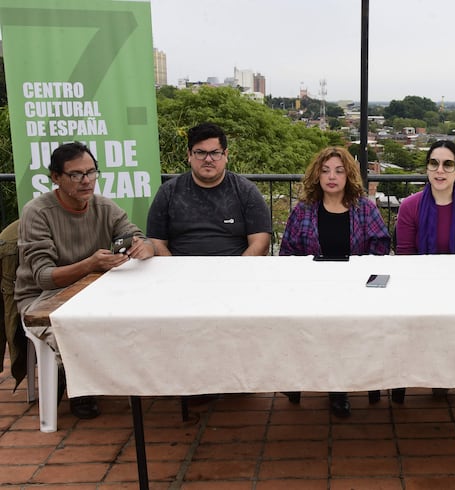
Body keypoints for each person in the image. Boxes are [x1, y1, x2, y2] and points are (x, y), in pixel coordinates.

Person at [15, 142, 155, 419]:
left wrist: (142, 247)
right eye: (76, 175)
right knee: (74, 329)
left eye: (91, 172)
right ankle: (78, 383)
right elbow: (43, 277)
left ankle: (114, 379)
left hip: (95, 290)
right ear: (56, 177)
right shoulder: (38, 212)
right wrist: (91, 263)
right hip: (44, 299)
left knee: (138, 318)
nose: (86, 181)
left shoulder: (104, 206)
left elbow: (139, 237)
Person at [279, 146, 391, 417]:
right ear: (317, 175)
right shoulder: (304, 210)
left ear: (348, 176)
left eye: (339, 171)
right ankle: (297, 377)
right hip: (311, 288)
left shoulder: (364, 208)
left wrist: (360, 276)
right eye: (326, 170)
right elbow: (287, 252)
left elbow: (381, 246)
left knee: (344, 328)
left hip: (355, 289)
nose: (332, 176)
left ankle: (338, 388)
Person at [393, 139, 455, 402]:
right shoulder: (410, 206)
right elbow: (405, 257)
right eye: (434, 163)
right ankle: (420, 373)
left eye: (448, 164)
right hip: (418, 287)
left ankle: (450, 373)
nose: (440, 171)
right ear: (427, 169)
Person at [147, 122, 272, 256]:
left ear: (226, 155)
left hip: (234, 272)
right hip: (180, 273)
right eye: (200, 153)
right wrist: (174, 271)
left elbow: (261, 242)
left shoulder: (246, 191)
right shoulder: (168, 192)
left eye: (215, 153)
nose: (208, 159)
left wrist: (237, 272)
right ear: (189, 155)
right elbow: (155, 241)